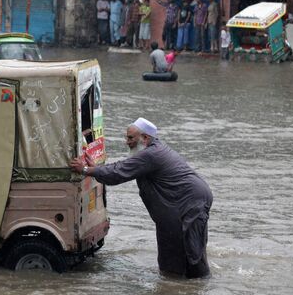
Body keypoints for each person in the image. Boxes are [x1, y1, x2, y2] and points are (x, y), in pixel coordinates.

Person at [69, 118, 213, 279]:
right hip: (178, 203)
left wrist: (86, 169)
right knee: (170, 242)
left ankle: (200, 283)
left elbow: (118, 173)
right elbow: (122, 166)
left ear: (145, 138)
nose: (127, 142)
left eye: (131, 138)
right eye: (126, 137)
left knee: (191, 248)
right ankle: (173, 283)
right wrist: (95, 168)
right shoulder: (149, 152)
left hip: (190, 201)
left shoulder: (151, 154)